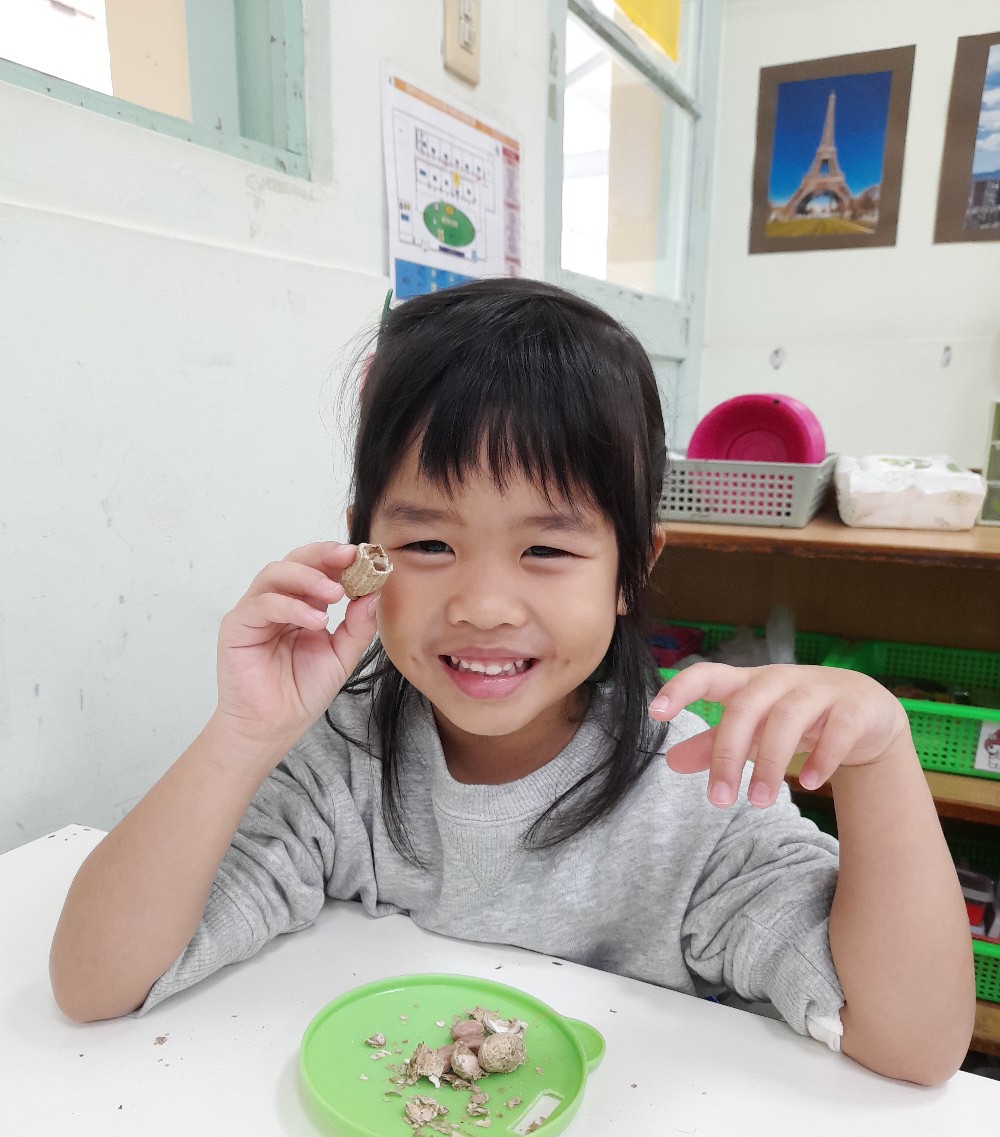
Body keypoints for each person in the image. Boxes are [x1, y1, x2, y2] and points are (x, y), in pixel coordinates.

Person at [49, 278, 974, 1085]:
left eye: (546, 549)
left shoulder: (695, 792)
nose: (483, 605)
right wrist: (243, 735)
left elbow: (915, 1044)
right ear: (364, 551)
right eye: (427, 543)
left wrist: (879, 756)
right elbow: (94, 982)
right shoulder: (341, 763)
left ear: (632, 569)